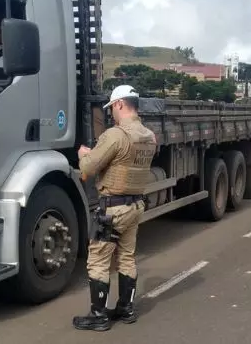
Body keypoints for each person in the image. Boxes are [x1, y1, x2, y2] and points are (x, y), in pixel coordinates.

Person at [72, 84, 158, 332]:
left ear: (120, 104)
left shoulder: (116, 135)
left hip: (113, 209)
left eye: (112, 108)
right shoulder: (148, 137)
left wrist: (83, 154)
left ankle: (98, 315)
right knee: (127, 257)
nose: (111, 114)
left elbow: (88, 169)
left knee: (98, 260)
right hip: (135, 206)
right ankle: (126, 309)